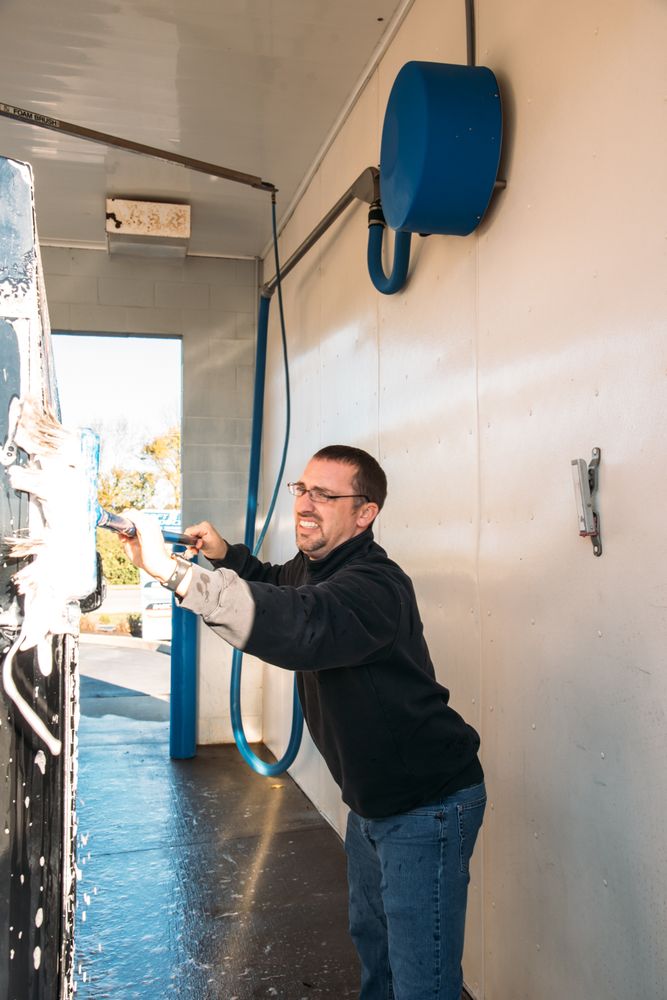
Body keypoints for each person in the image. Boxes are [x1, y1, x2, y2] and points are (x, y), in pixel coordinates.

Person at [121, 444, 486, 1000]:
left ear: (365, 514)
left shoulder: (374, 586)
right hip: (371, 803)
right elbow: (274, 583)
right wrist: (224, 555)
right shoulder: (315, 566)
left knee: (422, 980)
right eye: (303, 489)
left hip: (425, 805)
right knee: (375, 947)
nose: (306, 504)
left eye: (326, 494)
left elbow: (301, 626)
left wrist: (176, 575)